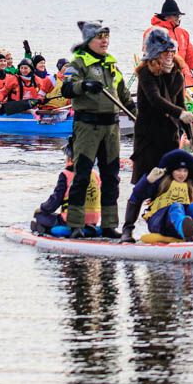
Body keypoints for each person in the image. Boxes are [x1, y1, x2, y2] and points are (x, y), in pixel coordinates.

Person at [61, 20, 134, 239]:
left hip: (111, 127)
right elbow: (67, 88)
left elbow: (123, 93)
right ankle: (75, 223)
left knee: (111, 176)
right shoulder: (78, 63)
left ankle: (110, 224)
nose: (104, 41)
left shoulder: (111, 64)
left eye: (106, 37)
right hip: (87, 126)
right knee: (82, 175)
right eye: (99, 37)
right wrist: (84, 85)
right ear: (88, 41)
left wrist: (136, 113)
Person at [125, 27, 192, 243]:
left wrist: (190, 135)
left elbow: (180, 104)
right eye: (165, 52)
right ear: (155, 54)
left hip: (169, 138)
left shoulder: (177, 74)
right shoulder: (145, 73)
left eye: (172, 51)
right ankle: (127, 229)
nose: (170, 55)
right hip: (148, 138)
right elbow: (155, 100)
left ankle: (167, 227)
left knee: (168, 185)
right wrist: (180, 113)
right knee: (145, 183)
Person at [131, 149, 193, 242]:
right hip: (159, 222)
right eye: (178, 170)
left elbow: (192, 211)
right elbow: (137, 194)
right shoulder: (161, 182)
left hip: (180, 224)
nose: (182, 174)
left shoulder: (188, 186)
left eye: (185, 171)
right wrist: (148, 180)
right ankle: (184, 231)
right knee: (177, 206)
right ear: (171, 171)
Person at [32, 142, 101, 237]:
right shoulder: (95, 174)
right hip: (93, 221)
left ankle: (46, 229)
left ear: (70, 159)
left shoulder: (66, 175)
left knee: (39, 216)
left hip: (70, 221)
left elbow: (56, 200)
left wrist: (42, 208)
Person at [144, 0, 193, 89]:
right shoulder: (154, 32)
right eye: (175, 15)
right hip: (164, 80)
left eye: (178, 15)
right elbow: (151, 59)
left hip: (185, 81)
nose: (178, 17)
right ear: (166, 17)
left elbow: (191, 59)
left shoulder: (183, 33)